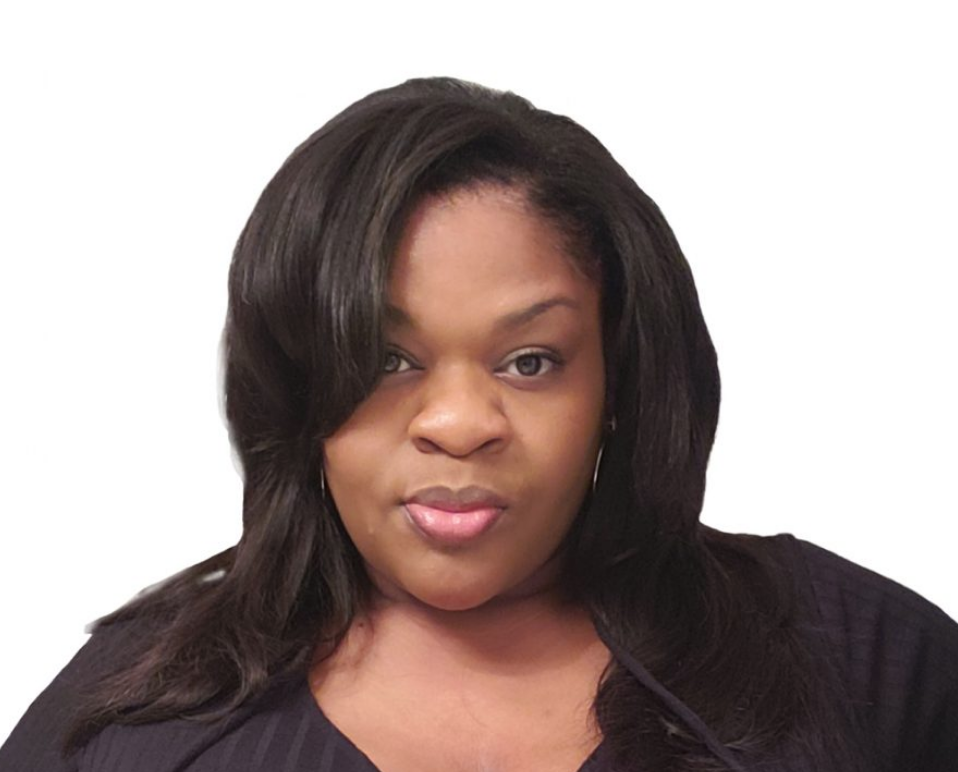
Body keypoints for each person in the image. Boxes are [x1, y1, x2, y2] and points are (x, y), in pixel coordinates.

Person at [1, 76, 956, 772]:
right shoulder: (128, 718)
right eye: (386, 359)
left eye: (529, 361)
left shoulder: (858, 659)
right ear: (294, 382)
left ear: (618, 381)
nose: (459, 425)